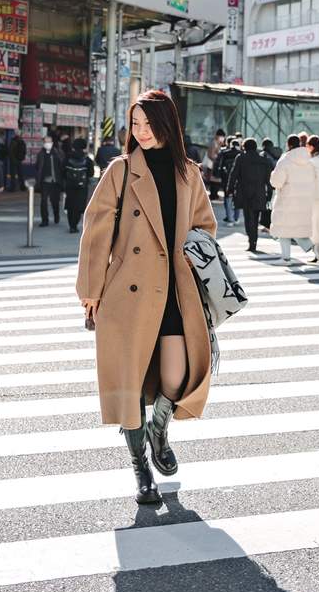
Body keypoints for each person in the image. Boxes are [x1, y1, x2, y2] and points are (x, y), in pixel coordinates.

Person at [76, 89, 216, 506]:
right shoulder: (119, 171)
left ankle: (159, 429)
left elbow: (205, 226)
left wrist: (192, 254)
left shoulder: (189, 173)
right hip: (127, 294)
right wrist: (91, 292)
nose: (140, 132)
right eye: (134, 124)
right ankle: (141, 473)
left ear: (167, 125)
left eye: (148, 124)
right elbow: (96, 233)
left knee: (177, 376)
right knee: (131, 387)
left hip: (175, 290)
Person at [269, 134, 319, 264]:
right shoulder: (309, 159)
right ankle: (314, 247)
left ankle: (286, 258)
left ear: (289, 144)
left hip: (287, 200)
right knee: (297, 229)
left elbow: (277, 182)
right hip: (305, 199)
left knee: (283, 229)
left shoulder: (285, 160)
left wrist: (272, 175)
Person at [226, 139, 274, 252]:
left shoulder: (241, 158)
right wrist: (269, 194)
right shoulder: (264, 160)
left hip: (244, 192)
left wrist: (230, 189)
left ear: (245, 147)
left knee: (248, 218)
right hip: (259, 193)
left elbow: (234, 174)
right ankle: (254, 241)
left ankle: (251, 241)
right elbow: (268, 180)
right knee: (255, 218)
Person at [63, 138, 96, 233]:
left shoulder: (67, 157)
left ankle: (71, 225)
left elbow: (62, 171)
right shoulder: (87, 159)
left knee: (70, 205)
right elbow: (91, 173)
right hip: (82, 187)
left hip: (69, 186)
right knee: (78, 206)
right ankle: (74, 225)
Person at [35, 133, 65, 226]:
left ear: (52, 142)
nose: (48, 143)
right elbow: (37, 166)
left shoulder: (58, 152)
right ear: (43, 143)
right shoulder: (40, 154)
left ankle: (56, 215)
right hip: (45, 181)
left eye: (49, 142)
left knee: (55, 201)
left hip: (56, 181)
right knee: (43, 201)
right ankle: (45, 220)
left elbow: (62, 165)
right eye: (46, 142)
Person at [215, 138, 242, 226]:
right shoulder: (241, 154)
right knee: (237, 198)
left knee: (227, 198)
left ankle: (230, 219)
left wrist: (218, 175)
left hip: (226, 178)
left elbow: (219, 165)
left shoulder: (225, 153)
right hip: (239, 180)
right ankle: (236, 218)